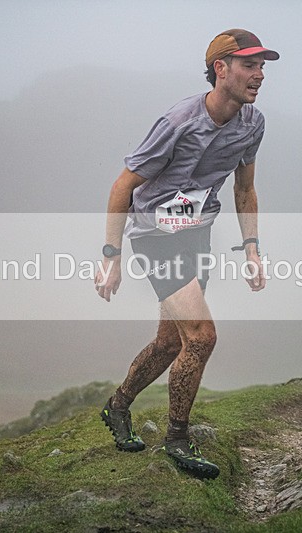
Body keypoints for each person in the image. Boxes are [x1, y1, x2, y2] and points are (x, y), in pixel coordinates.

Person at [95, 29, 278, 479]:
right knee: (201, 335)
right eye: (249, 65)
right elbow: (123, 185)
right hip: (156, 236)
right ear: (221, 69)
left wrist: (251, 247)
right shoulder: (179, 122)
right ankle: (177, 439)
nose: (259, 75)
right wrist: (111, 256)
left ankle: (117, 407)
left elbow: (245, 187)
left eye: (262, 67)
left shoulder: (253, 123)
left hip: (198, 232)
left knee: (171, 342)